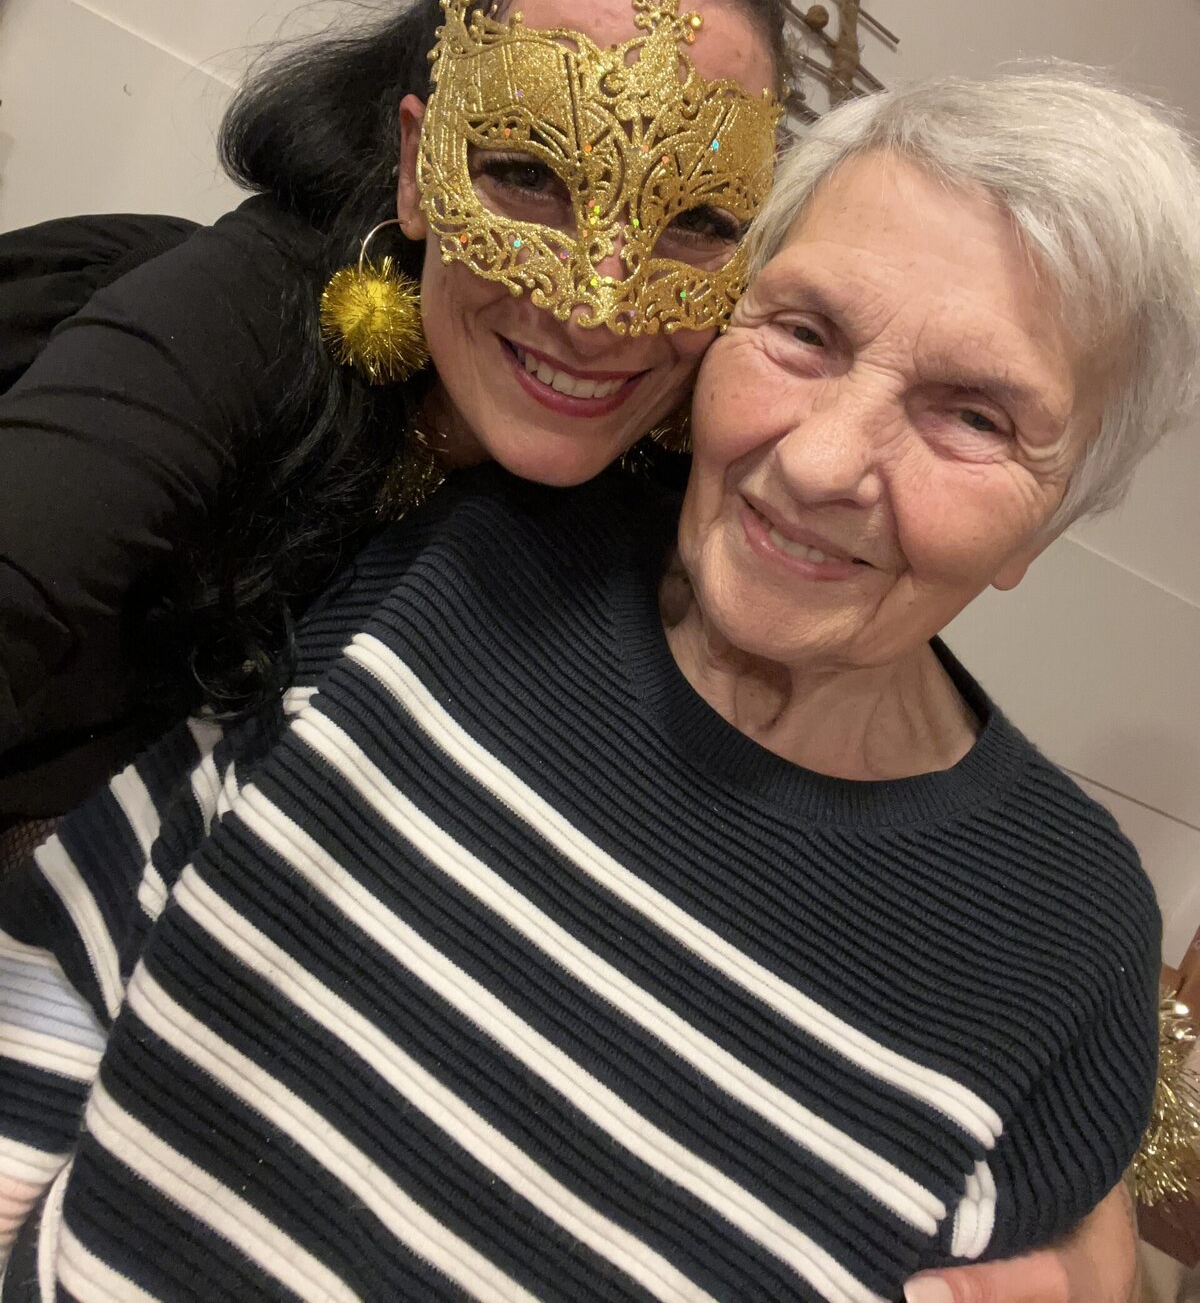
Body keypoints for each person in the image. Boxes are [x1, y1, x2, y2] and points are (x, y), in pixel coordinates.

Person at [3, 67, 1193, 1302]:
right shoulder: (472, 562)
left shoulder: (1069, 944)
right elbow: (60, 967)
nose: (822, 460)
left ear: (1053, 518)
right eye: (803, 332)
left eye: (977, 418)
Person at [0, 0, 784, 827]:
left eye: (697, 220)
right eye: (529, 174)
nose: (598, 309)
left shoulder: (685, 502)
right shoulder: (248, 313)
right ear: (418, 168)